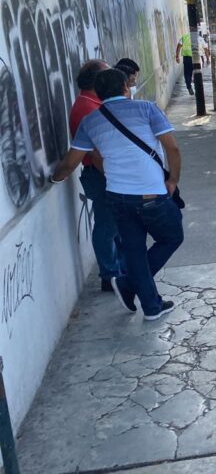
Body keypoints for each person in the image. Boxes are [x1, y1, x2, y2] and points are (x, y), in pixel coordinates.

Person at [51, 68, 182, 321]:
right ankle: (129, 285)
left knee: (133, 250)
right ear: (125, 87)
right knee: (172, 237)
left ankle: (152, 306)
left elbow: (71, 162)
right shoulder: (147, 109)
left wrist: (54, 179)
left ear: (98, 94)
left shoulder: (91, 121)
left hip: (117, 198)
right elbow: (172, 148)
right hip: (151, 195)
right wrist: (173, 179)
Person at [67, 59, 123, 292]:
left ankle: (116, 269)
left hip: (104, 172)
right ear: (97, 80)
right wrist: (115, 178)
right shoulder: (88, 108)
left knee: (113, 225)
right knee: (106, 225)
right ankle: (110, 275)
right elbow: (96, 154)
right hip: (101, 175)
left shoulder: (92, 102)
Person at [175, 32, 209, 96]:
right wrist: (207, 59)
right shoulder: (200, 39)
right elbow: (206, 48)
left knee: (187, 73)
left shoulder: (185, 37)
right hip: (197, 59)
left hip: (187, 58)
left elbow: (178, 46)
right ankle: (197, 90)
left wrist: (177, 57)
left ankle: (189, 87)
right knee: (197, 74)